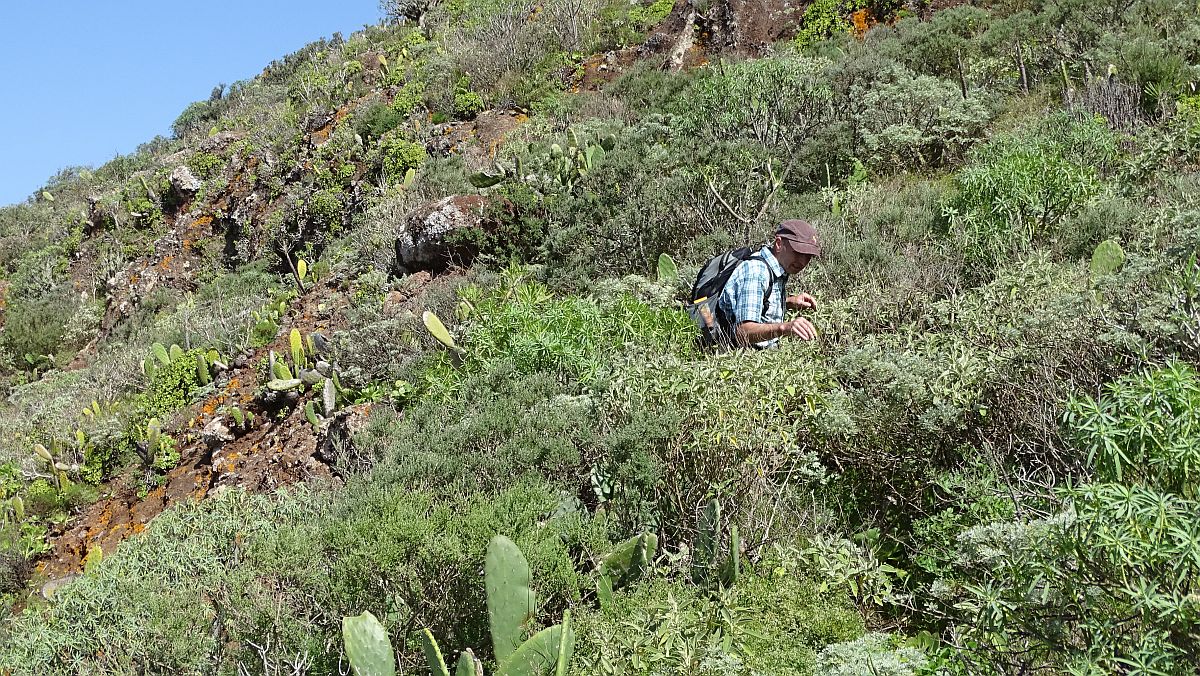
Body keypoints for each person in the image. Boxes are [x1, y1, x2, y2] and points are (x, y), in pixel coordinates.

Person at [716, 219, 821, 348]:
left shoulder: (778, 268)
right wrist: (784, 328)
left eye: (808, 256)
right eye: (798, 252)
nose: (803, 262)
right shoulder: (756, 271)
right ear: (778, 244)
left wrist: (788, 302)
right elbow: (742, 332)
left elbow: (759, 302)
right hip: (744, 360)